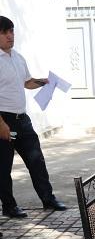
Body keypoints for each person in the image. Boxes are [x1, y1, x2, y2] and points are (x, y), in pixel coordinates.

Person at [0, 16, 66, 219]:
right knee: (4, 165)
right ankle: (9, 206)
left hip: (22, 120)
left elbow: (26, 82)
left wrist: (43, 82)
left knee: (36, 159)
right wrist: (1, 124)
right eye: (5, 32)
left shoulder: (18, 58)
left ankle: (48, 199)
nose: (10, 36)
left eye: (12, 31)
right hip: (4, 121)